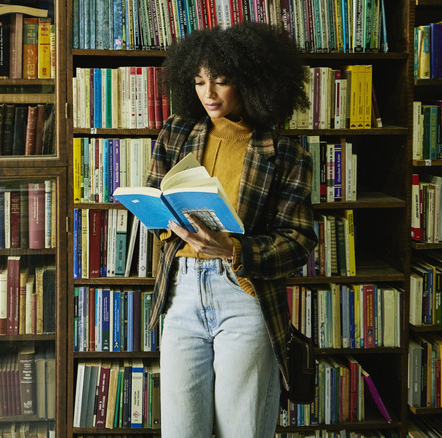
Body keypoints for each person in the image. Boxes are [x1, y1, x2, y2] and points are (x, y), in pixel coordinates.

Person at [144, 21, 317, 438]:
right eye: (200, 81)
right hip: (182, 294)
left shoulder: (286, 152)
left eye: (221, 81)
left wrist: (232, 249)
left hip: (243, 294)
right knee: (181, 430)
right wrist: (164, 220)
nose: (208, 93)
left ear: (252, 81)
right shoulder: (176, 132)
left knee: (242, 429)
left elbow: (298, 242)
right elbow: (155, 198)